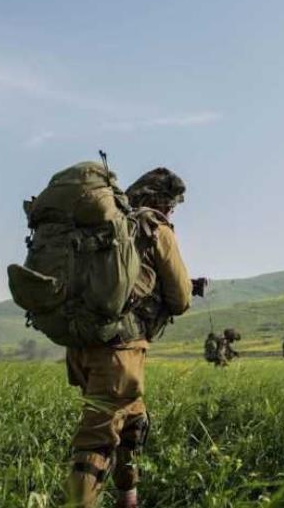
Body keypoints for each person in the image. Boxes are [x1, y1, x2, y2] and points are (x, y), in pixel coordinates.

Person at [64, 167, 207, 508]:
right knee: (95, 445)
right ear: (159, 201)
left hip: (83, 348)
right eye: (171, 206)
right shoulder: (153, 227)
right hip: (120, 353)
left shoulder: (103, 229)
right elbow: (180, 300)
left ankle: (128, 501)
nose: (171, 213)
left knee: (131, 427)